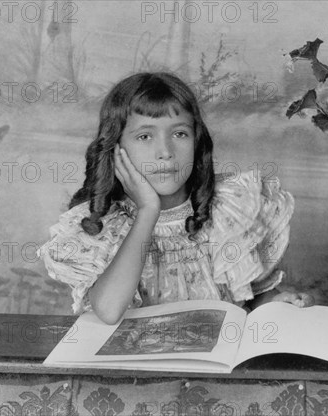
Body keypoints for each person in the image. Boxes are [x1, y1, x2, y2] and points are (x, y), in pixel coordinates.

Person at [37, 72, 313, 325]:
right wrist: (148, 210)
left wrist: (274, 302)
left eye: (179, 133)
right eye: (145, 136)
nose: (165, 151)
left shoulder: (228, 210)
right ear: (116, 149)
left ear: (196, 142)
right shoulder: (102, 226)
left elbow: (248, 297)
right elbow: (109, 311)